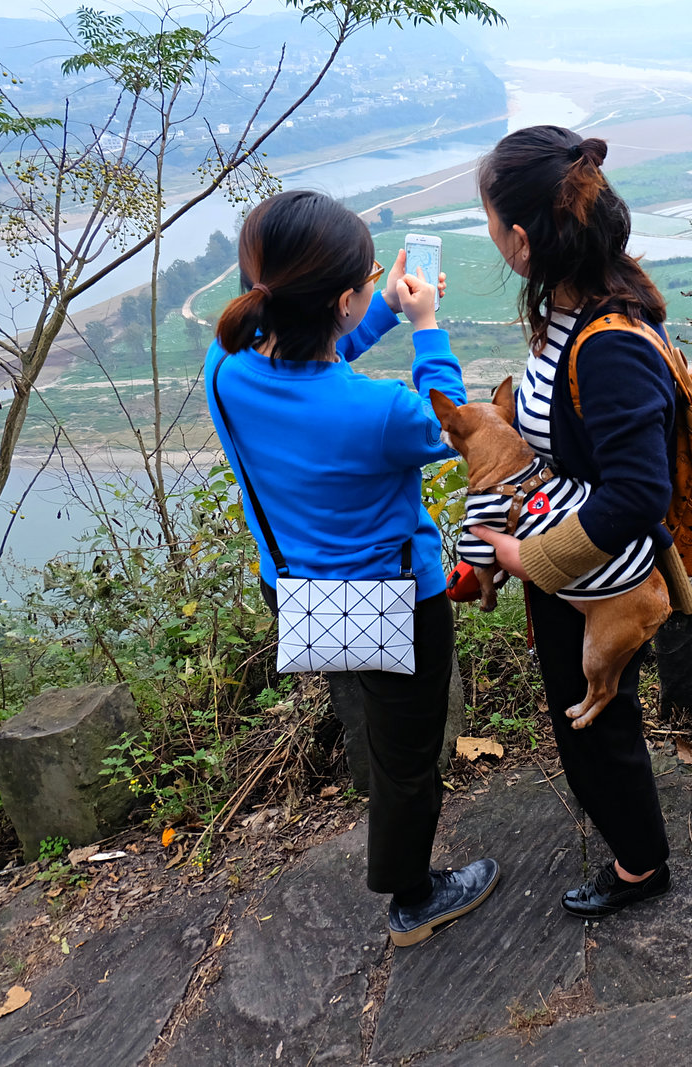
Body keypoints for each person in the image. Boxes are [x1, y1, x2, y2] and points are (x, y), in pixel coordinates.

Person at [205, 190, 499, 946]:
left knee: (372, 717)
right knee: (407, 758)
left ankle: (394, 839)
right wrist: (426, 323)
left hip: (299, 593)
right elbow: (455, 420)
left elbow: (315, 362)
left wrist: (381, 311)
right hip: (395, 603)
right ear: (340, 300)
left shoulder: (225, 366)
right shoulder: (384, 415)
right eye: (367, 278)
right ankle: (413, 897)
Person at [468, 125, 692, 918]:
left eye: (491, 223)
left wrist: (534, 559)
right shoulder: (577, 305)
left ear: (523, 240)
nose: (490, 237)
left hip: (604, 577)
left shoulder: (606, 343)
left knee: (597, 727)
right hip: (578, 570)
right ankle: (635, 845)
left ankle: (641, 864)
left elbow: (635, 491)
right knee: (590, 722)